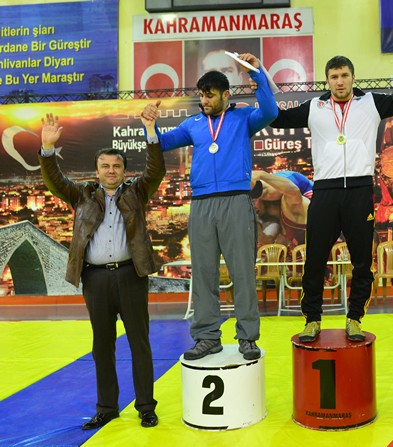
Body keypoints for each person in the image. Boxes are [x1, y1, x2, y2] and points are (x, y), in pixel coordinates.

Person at [271, 54, 393, 343]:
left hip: (359, 190)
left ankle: (354, 318)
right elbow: (278, 118)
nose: (339, 82)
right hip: (325, 192)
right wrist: (260, 80)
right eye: (334, 77)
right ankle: (312, 319)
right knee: (315, 260)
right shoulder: (314, 107)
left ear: (353, 77)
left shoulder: (372, 103)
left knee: (362, 262)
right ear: (327, 81)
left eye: (344, 76)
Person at [141, 53, 278, 361]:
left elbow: (270, 111)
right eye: (201, 95)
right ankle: (206, 337)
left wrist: (256, 74)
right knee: (203, 273)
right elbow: (162, 143)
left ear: (226, 95)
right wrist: (150, 126)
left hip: (236, 201)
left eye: (210, 95)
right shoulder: (193, 125)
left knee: (242, 272)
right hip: (202, 204)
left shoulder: (243, 118)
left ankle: (247, 337)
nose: (204, 101)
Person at [38, 113, 165, 429]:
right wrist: (47, 149)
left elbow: (156, 171)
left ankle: (146, 407)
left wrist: (151, 131)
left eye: (116, 166)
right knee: (102, 347)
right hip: (95, 279)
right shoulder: (81, 194)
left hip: (131, 276)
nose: (111, 170)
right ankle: (107, 407)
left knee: (139, 344)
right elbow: (54, 181)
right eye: (105, 166)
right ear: (96, 171)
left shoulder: (137, 192)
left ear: (124, 171)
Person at [252, 170, 311, 247]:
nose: (252, 207)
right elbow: (264, 242)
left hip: (300, 186)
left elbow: (294, 191)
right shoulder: (275, 220)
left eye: (253, 201)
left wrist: (262, 175)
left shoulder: (290, 205)